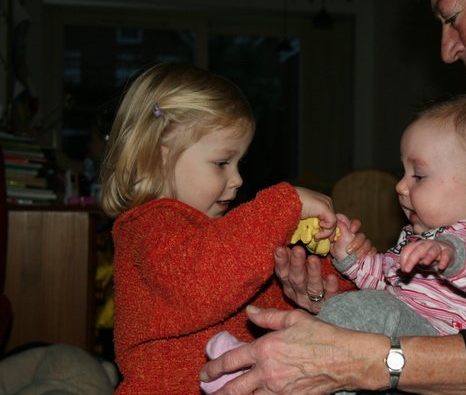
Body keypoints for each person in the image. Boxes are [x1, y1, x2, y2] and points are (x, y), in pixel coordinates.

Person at [200, 0, 466, 394]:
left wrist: (375, 358)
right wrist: (342, 267)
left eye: (453, 17)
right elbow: (392, 277)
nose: (446, 50)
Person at [99, 62, 365, 394]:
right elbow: (204, 281)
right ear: (160, 156)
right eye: (222, 163)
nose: (238, 180)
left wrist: (344, 276)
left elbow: (261, 299)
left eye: (239, 163)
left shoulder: (225, 241)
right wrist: (285, 204)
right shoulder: (147, 226)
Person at [319, 93, 466, 340]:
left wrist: (453, 255)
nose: (400, 186)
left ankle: (311, 351)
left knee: (367, 311)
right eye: (404, 172)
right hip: (409, 326)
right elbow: (387, 279)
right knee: (362, 306)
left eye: (418, 176)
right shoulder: (420, 236)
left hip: (449, 341)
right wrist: (351, 256)